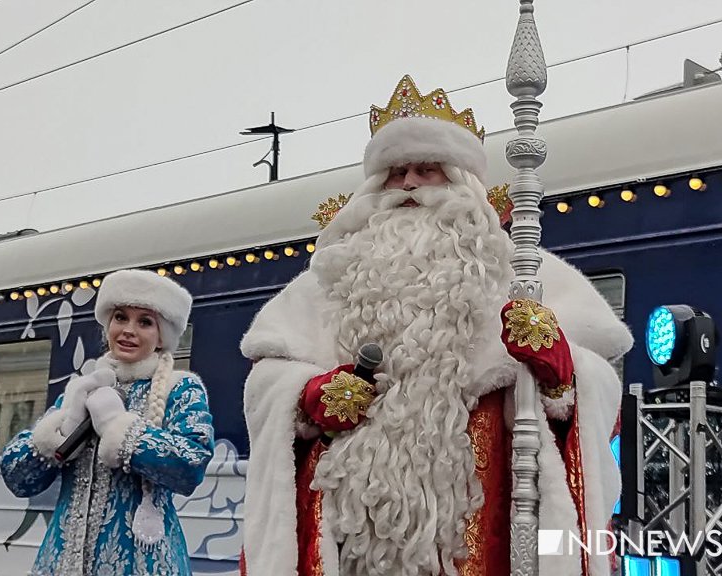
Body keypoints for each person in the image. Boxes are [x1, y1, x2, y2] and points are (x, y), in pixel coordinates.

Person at [239, 75, 633, 576]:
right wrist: (310, 396)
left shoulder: (525, 276)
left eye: (427, 170)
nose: (407, 185)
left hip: (482, 529)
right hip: (349, 535)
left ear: (462, 183)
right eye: (394, 172)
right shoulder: (324, 282)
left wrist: (558, 365)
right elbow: (264, 383)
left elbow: (602, 402)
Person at [0, 269, 214, 575]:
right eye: (120, 317)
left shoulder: (180, 388)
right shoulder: (82, 390)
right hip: (62, 563)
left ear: (161, 335)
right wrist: (63, 427)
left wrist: (121, 429)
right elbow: (18, 478)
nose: (128, 330)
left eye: (145, 322)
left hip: (143, 564)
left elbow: (191, 466)